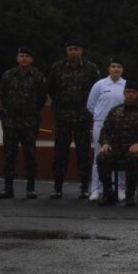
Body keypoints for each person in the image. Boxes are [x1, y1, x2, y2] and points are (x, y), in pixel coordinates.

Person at [47, 39, 100, 200]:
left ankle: (84, 187)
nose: (73, 52)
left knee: (83, 153)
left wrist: (89, 110)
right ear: (66, 51)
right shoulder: (57, 67)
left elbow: (96, 90)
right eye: (70, 49)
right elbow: (51, 89)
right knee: (60, 152)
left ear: (81, 51)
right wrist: (59, 107)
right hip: (63, 116)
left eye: (76, 49)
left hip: (82, 116)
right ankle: (57, 187)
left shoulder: (91, 68)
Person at [0, 47, 47, 200]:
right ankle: (8, 188)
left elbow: (41, 100)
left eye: (27, 56)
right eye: (21, 56)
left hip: (29, 122)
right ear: (17, 58)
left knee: (30, 155)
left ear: (32, 60)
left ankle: (30, 188)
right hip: (11, 121)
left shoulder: (38, 76)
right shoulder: (8, 75)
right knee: (9, 155)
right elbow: (3, 95)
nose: (24, 59)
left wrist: (29, 112)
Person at [96, 79, 138, 207]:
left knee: (134, 157)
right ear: (124, 93)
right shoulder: (115, 111)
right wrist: (105, 143)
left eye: (133, 92)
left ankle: (130, 194)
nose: (130, 94)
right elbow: (105, 130)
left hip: (133, 148)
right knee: (102, 157)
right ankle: (109, 192)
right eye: (128, 92)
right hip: (116, 147)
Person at [86, 58, 128, 199]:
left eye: (119, 66)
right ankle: (96, 189)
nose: (116, 69)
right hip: (101, 125)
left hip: (121, 127)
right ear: (108, 69)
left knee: (122, 157)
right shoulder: (100, 85)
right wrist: (100, 116)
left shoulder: (126, 85)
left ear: (122, 69)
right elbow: (91, 105)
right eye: (113, 66)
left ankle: (120, 188)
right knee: (99, 157)